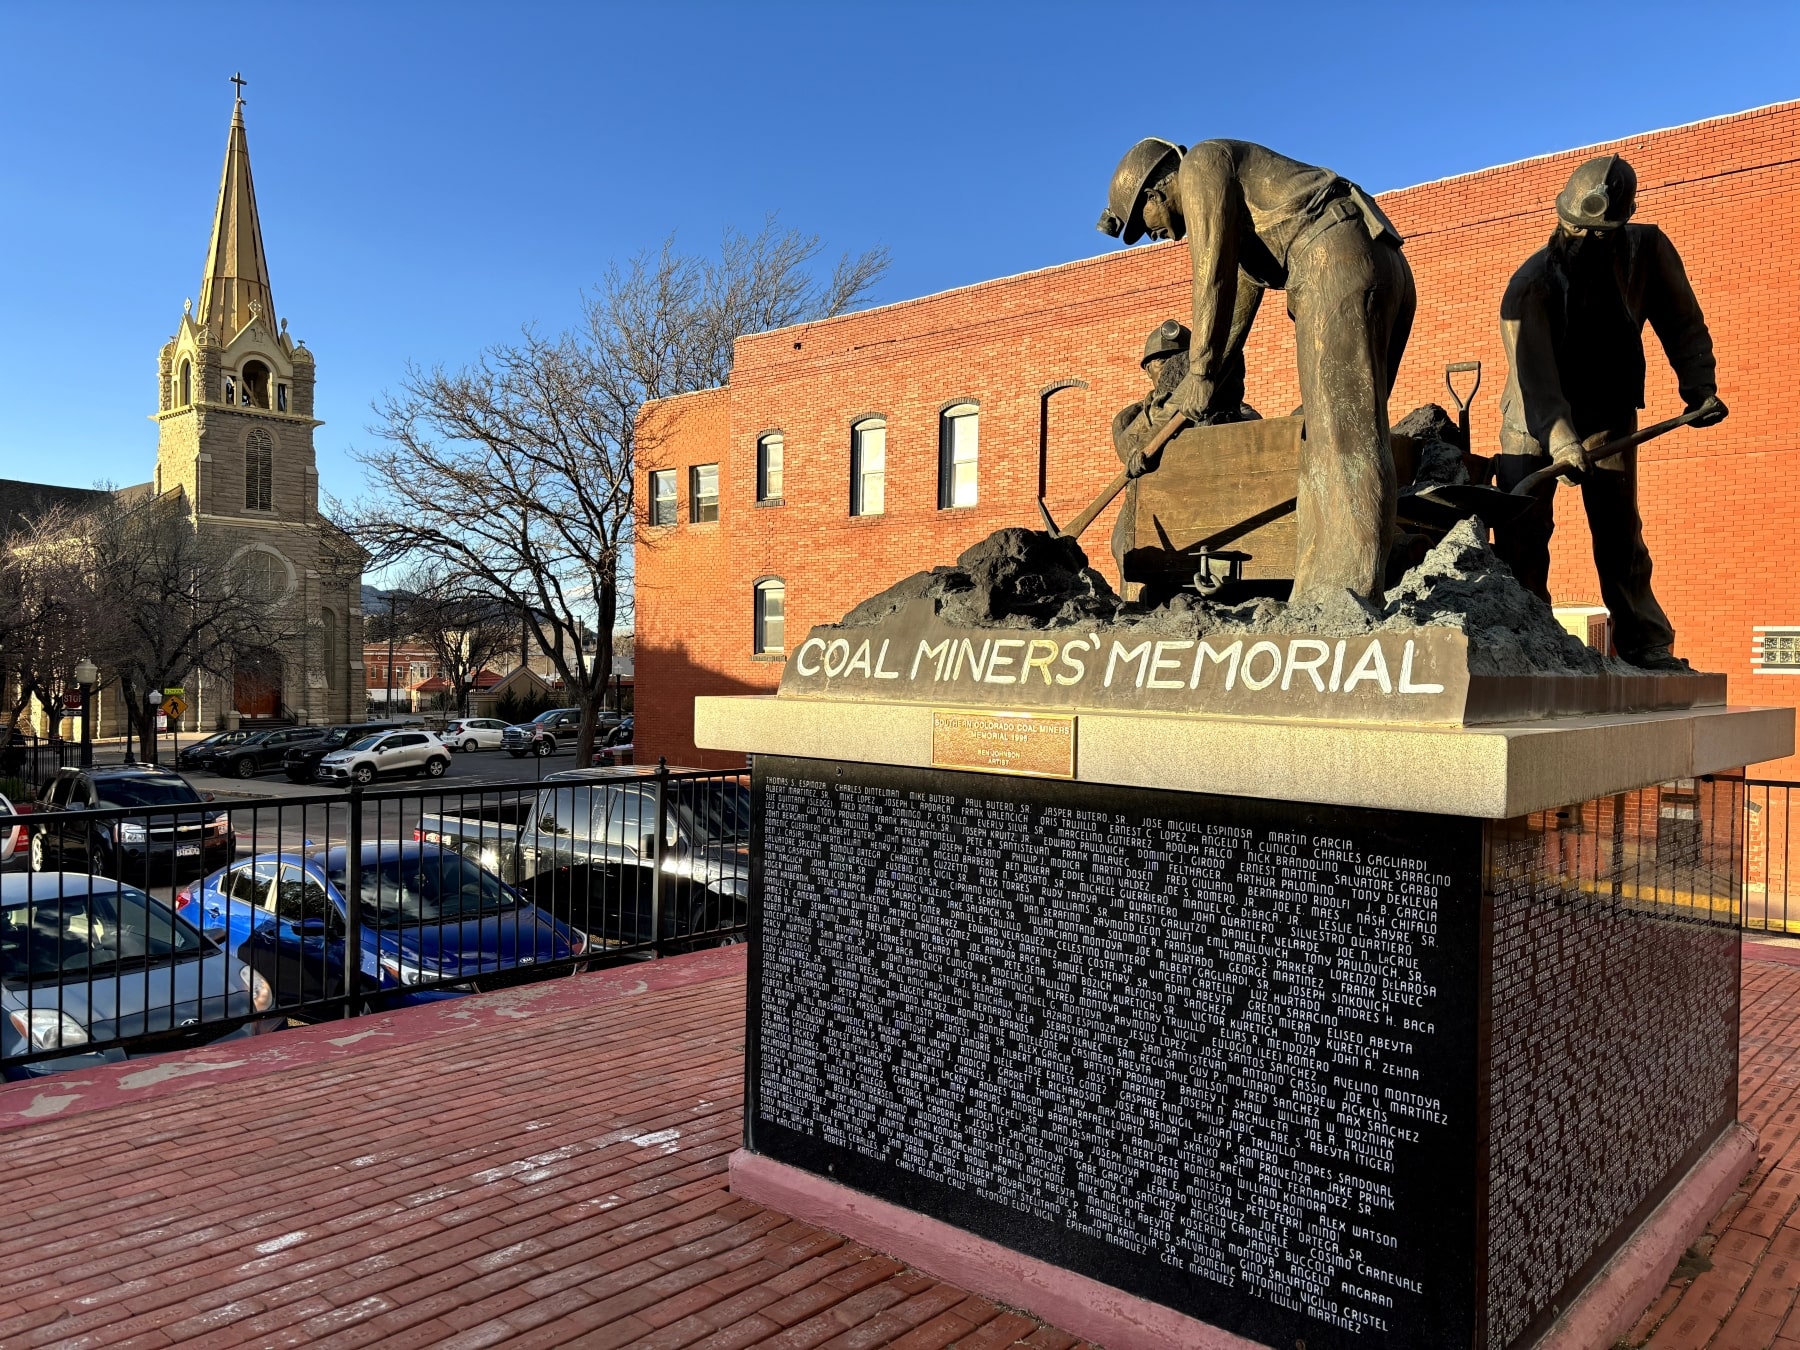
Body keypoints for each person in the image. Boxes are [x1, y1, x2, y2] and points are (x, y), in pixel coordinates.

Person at [1098, 138, 1415, 604]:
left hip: (1335, 259)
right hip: (1373, 257)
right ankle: (1324, 579)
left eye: (1145, 227)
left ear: (1156, 193)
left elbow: (1212, 278)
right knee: (1324, 434)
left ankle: (1342, 592)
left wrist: (1202, 374)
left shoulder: (1202, 167)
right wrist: (1170, 425)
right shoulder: (1249, 219)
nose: (1156, 237)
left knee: (1341, 437)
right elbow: (1229, 330)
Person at [1494, 154, 1727, 671]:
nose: (1578, 237)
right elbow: (1535, 377)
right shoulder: (1531, 283)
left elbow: (1682, 320)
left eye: (1593, 231)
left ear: (1620, 224)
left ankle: (1644, 640)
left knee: (1620, 530)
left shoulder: (1648, 251)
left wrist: (1699, 384)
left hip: (1608, 409)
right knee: (1522, 529)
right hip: (1532, 417)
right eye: (1571, 225)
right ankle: (1525, 632)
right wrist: (1559, 440)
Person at [1109, 320, 1259, 592]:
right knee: (1125, 542)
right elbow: (1128, 446)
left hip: (1217, 503)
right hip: (1158, 503)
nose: (1167, 365)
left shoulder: (1233, 404)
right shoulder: (1132, 417)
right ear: (1147, 370)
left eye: (1176, 357)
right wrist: (1165, 411)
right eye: (1159, 360)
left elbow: (1253, 437)